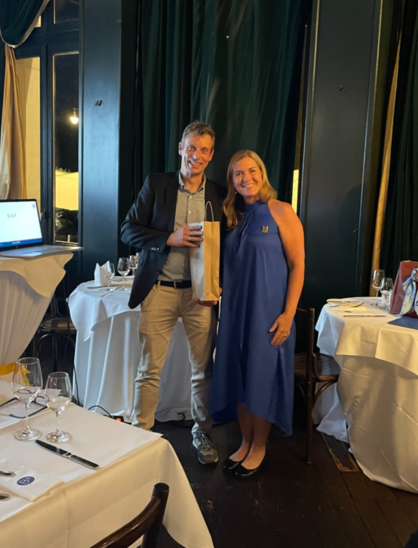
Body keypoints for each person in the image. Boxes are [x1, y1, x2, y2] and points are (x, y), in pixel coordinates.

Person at [121, 121, 226, 465]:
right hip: (160, 289)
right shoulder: (157, 184)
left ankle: (202, 432)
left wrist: (220, 283)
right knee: (149, 369)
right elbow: (128, 229)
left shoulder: (219, 193)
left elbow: (228, 244)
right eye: (191, 147)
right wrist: (170, 238)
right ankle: (141, 437)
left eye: (204, 150)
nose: (197, 155)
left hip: (201, 296)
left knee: (203, 370)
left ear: (211, 155)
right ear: (181, 148)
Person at [211, 150, 305, 478]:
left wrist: (288, 315)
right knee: (238, 376)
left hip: (269, 312)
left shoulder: (281, 210)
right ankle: (246, 441)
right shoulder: (232, 216)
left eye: (252, 171)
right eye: (238, 174)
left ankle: (260, 446)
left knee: (261, 378)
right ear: (232, 182)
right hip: (235, 311)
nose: (246, 178)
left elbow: (297, 265)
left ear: (262, 173)